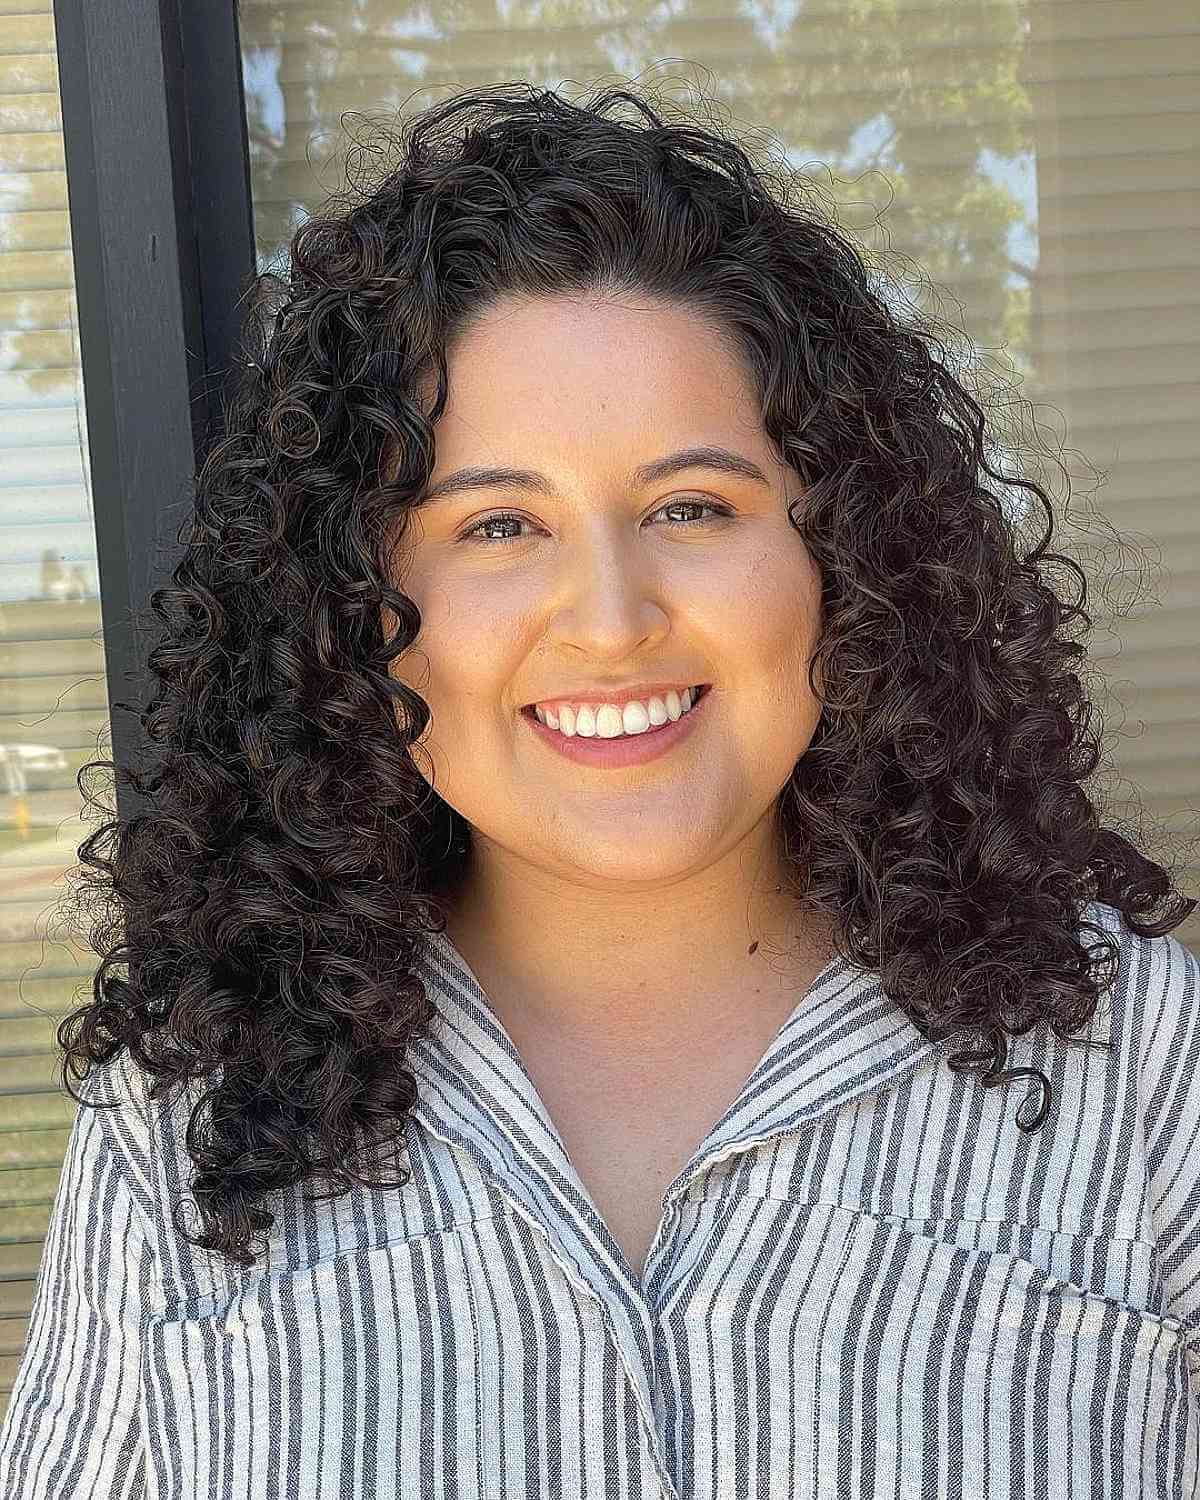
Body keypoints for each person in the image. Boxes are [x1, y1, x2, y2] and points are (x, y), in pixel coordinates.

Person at [1, 79, 1197, 1499]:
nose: (612, 617)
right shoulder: (185, 1123)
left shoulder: (1142, 1075)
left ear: (846, 560)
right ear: (348, 602)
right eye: (498, 524)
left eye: (692, 507)